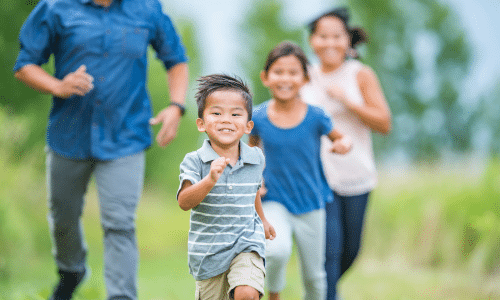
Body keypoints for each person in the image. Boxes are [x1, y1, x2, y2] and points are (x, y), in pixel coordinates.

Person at [13, 0, 189, 299]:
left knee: (119, 223)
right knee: (63, 216)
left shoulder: (147, 9)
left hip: (126, 136)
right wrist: (57, 85)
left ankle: (121, 295)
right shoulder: (55, 8)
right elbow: (25, 66)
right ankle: (72, 270)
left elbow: (176, 59)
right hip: (69, 135)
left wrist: (176, 106)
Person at [248, 41, 352, 300]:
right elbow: (250, 152)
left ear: (305, 79)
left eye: (293, 72)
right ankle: (274, 295)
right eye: (278, 72)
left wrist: (342, 144)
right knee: (276, 251)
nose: (285, 78)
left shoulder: (316, 116)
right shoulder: (258, 117)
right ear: (265, 78)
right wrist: (254, 177)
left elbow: (341, 138)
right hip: (273, 200)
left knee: (314, 276)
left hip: (311, 203)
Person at [302, 7, 392, 299]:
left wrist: (349, 102)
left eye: (336, 36)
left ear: (347, 39)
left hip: (356, 174)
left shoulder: (360, 74)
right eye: (322, 36)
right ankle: (325, 293)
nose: (329, 43)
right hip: (317, 176)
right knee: (329, 250)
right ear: (312, 41)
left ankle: (320, 290)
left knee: (350, 251)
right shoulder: (303, 77)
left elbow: (384, 123)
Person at [177, 74, 276, 300]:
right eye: (216, 113)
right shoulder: (194, 161)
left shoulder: (256, 157)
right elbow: (184, 202)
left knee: (246, 293)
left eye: (235, 114)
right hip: (209, 253)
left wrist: (262, 221)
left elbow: (251, 192)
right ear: (201, 123)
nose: (226, 120)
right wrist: (209, 180)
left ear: (248, 125)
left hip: (246, 242)